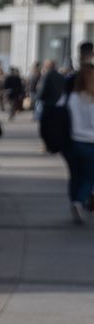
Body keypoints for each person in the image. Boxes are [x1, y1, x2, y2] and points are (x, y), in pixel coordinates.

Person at [65, 63, 94, 224]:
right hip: (91, 142)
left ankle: (74, 200)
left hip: (74, 141)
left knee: (75, 175)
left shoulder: (72, 97)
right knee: (89, 176)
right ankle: (80, 200)